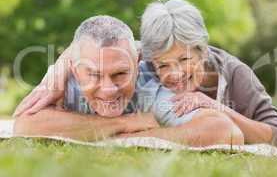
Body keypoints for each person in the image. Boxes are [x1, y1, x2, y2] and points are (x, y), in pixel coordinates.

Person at [14, 15, 244, 147]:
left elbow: (227, 132)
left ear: (137, 63)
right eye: (93, 75)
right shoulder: (65, 82)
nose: (108, 89)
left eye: (120, 74)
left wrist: (136, 138)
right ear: (75, 69)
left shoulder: (150, 89)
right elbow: (24, 125)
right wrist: (123, 124)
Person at [138, 0, 277, 150]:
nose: (175, 74)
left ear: (204, 51)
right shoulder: (144, 66)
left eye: (184, 59)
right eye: (163, 65)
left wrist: (215, 106)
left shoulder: (235, 75)